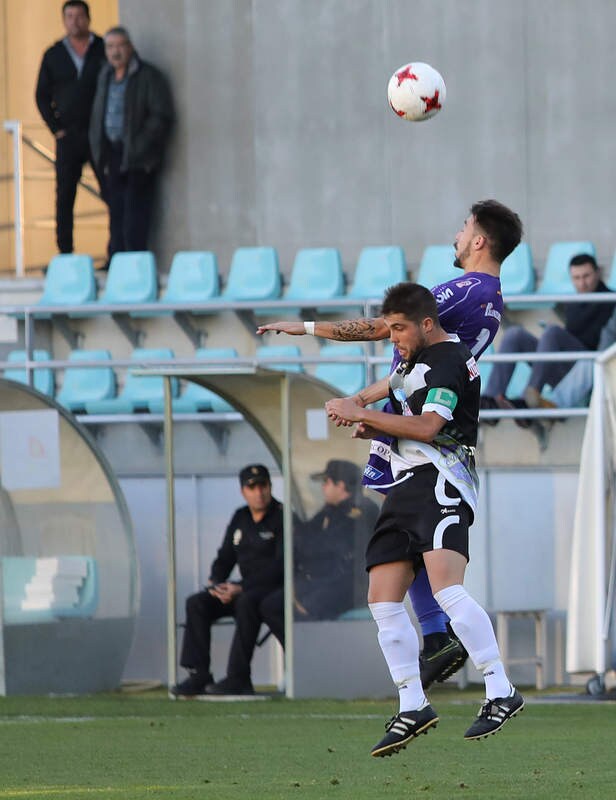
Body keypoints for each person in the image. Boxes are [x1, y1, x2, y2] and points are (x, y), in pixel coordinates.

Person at [257, 199, 523, 687]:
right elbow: (413, 368)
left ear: (480, 240)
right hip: (421, 415)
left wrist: (307, 328)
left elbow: (387, 325)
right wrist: (361, 399)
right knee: (403, 534)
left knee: (409, 531)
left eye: (464, 227)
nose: (458, 234)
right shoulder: (493, 299)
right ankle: (436, 641)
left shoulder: (466, 288)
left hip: (420, 431)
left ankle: (443, 639)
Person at [325, 283, 523, 756]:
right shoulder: (416, 363)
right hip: (404, 482)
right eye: (389, 329)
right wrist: (369, 423)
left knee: (447, 589)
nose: (392, 338)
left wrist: (362, 410)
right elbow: (409, 419)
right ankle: (412, 703)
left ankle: (500, 689)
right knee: (382, 598)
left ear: (426, 324)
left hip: (440, 479)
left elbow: (429, 428)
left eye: (398, 329)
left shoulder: (449, 361)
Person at [171, 465, 285, 697]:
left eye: (262, 485)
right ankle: (198, 673)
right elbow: (224, 556)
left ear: (270, 487)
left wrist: (240, 587)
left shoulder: (282, 516)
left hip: (269, 591)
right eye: (252, 487)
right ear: (243, 491)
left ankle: (239, 677)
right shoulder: (240, 516)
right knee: (197, 603)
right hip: (239, 589)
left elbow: (281, 566)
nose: (258, 492)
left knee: (246, 602)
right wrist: (216, 584)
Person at [482, 254, 615, 411]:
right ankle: (491, 398)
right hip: (565, 369)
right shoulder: (573, 304)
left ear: (598, 273)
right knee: (514, 334)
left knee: (553, 333)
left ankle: (531, 394)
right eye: (576, 278)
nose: (582, 283)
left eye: (586, 276)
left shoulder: (611, 300)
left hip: (590, 371)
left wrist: (557, 336)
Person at [89, 26, 174, 263]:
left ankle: (135, 264)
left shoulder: (148, 76)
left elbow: (161, 116)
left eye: (120, 45)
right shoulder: (105, 76)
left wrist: (140, 145)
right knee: (115, 211)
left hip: (138, 156)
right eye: (110, 47)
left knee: (135, 214)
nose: (116, 52)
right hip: (112, 155)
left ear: (130, 47)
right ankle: (116, 261)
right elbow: (98, 115)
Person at [35, 1, 105, 255]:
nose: (75, 21)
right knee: (65, 196)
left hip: (99, 135)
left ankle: (116, 251)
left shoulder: (103, 49)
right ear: (64, 20)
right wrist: (56, 128)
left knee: (111, 190)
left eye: (79, 16)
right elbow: (42, 95)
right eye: (70, 16)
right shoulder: (53, 54)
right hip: (69, 136)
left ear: (88, 18)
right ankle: (66, 253)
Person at [293, 459, 380, 620]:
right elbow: (306, 535)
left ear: (340, 485)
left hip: (354, 586)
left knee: (306, 607)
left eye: (326, 482)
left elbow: (332, 547)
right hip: (330, 581)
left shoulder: (361, 510)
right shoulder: (331, 509)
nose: (323, 487)